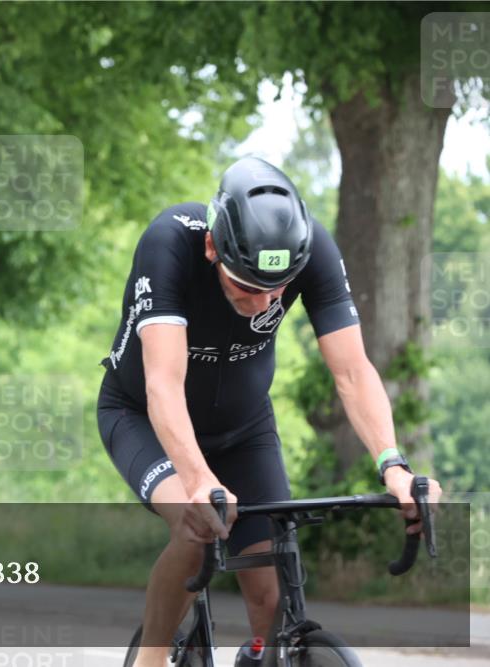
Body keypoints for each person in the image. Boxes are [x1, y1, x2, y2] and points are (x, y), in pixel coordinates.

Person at [96, 157, 442, 666]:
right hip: (143, 418)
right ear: (213, 248)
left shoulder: (313, 247)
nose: (264, 303)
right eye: (247, 287)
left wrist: (393, 464)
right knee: (196, 533)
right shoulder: (169, 243)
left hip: (244, 428)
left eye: (277, 291)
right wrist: (196, 480)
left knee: (270, 594)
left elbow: (352, 372)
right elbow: (163, 385)